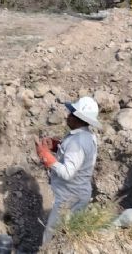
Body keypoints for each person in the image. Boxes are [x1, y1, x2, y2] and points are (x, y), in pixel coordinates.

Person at [35, 96, 100, 245]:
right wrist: (57, 146)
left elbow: (67, 173)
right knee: (68, 235)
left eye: (71, 113)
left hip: (70, 197)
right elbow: (78, 157)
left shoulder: (77, 142)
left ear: (78, 117)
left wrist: (46, 157)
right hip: (79, 193)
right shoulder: (87, 136)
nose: (68, 116)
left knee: (51, 236)